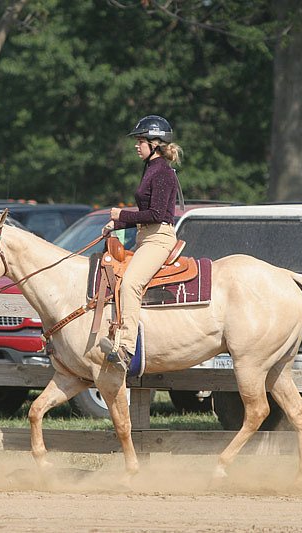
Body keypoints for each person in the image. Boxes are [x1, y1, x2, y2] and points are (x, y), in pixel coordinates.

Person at [99, 115, 183, 370]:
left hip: (158, 240)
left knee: (131, 285)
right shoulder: (150, 169)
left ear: (155, 143)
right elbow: (147, 214)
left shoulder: (163, 173)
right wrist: (118, 225)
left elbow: (157, 215)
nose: (137, 145)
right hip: (147, 236)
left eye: (140, 141)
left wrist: (120, 214)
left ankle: (126, 348)